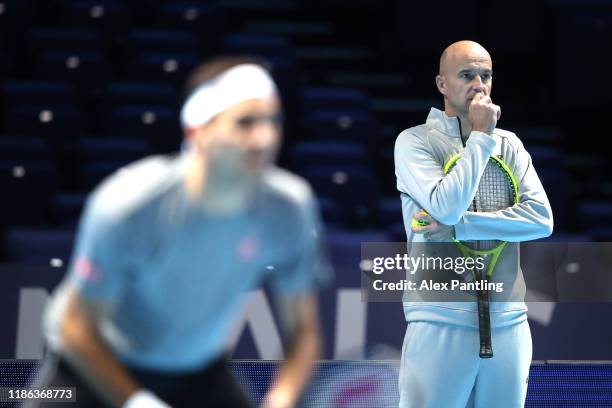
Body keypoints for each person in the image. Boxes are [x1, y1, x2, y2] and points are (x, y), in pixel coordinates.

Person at [29, 56, 331, 408]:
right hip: (95, 366)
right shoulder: (127, 207)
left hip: (198, 372)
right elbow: (75, 327)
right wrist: (137, 402)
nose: (264, 137)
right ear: (196, 131)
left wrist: (281, 399)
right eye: (245, 123)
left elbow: (303, 331)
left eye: (272, 121)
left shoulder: (291, 208)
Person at [394, 41, 553, 407]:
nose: (479, 85)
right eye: (467, 75)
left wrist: (460, 229)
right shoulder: (414, 142)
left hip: (509, 320)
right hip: (440, 316)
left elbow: (541, 219)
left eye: (486, 75)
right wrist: (481, 137)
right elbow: (446, 206)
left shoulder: (510, 145)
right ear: (441, 84)